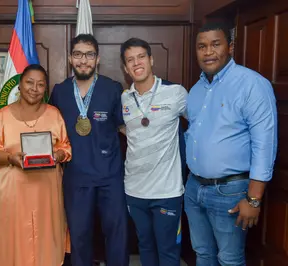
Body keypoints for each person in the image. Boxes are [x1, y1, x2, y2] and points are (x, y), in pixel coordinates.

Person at [184, 22, 277, 266]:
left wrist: (254, 199)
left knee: (230, 259)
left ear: (230, 47)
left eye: (216, 44)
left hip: (231, 192)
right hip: (194, 188)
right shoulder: (196, 90)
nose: (208, 52)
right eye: (202, 46)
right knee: (202, 254)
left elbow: (264, 145)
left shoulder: (252, 84)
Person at [0, 64, 71, 266]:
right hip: (11, 193)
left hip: (46, 193)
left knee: (46, 242)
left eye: (40, 84)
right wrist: (11, 158)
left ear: (45, 89)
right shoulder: (1, 117)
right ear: (19, 85)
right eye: (29, 82)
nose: (34, 88)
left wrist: (58, 155)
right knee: (12, 243)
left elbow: (66, 147)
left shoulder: (54, 115)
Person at [49, 34, 129, 266]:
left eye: (89, 54)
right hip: (76, 177)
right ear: (70, 58)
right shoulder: (60, 91)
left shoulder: (113, 89)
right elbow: (52, 132)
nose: (83, 60)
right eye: (78, 54)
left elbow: (125, 129)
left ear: (98, 59)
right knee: (79, 238)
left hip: (110, 177)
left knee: (117, 235)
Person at [119, 38, 187, 266]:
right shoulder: (124, 99)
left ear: (151, 60)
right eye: (130, 60)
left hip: (167, 191)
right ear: (125, 68)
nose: (136, 63)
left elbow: (199, 124)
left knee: (168, 251)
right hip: (135, 191)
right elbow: (123, 128)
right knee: (145, 247)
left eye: (140, 57)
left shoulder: (176, 93)